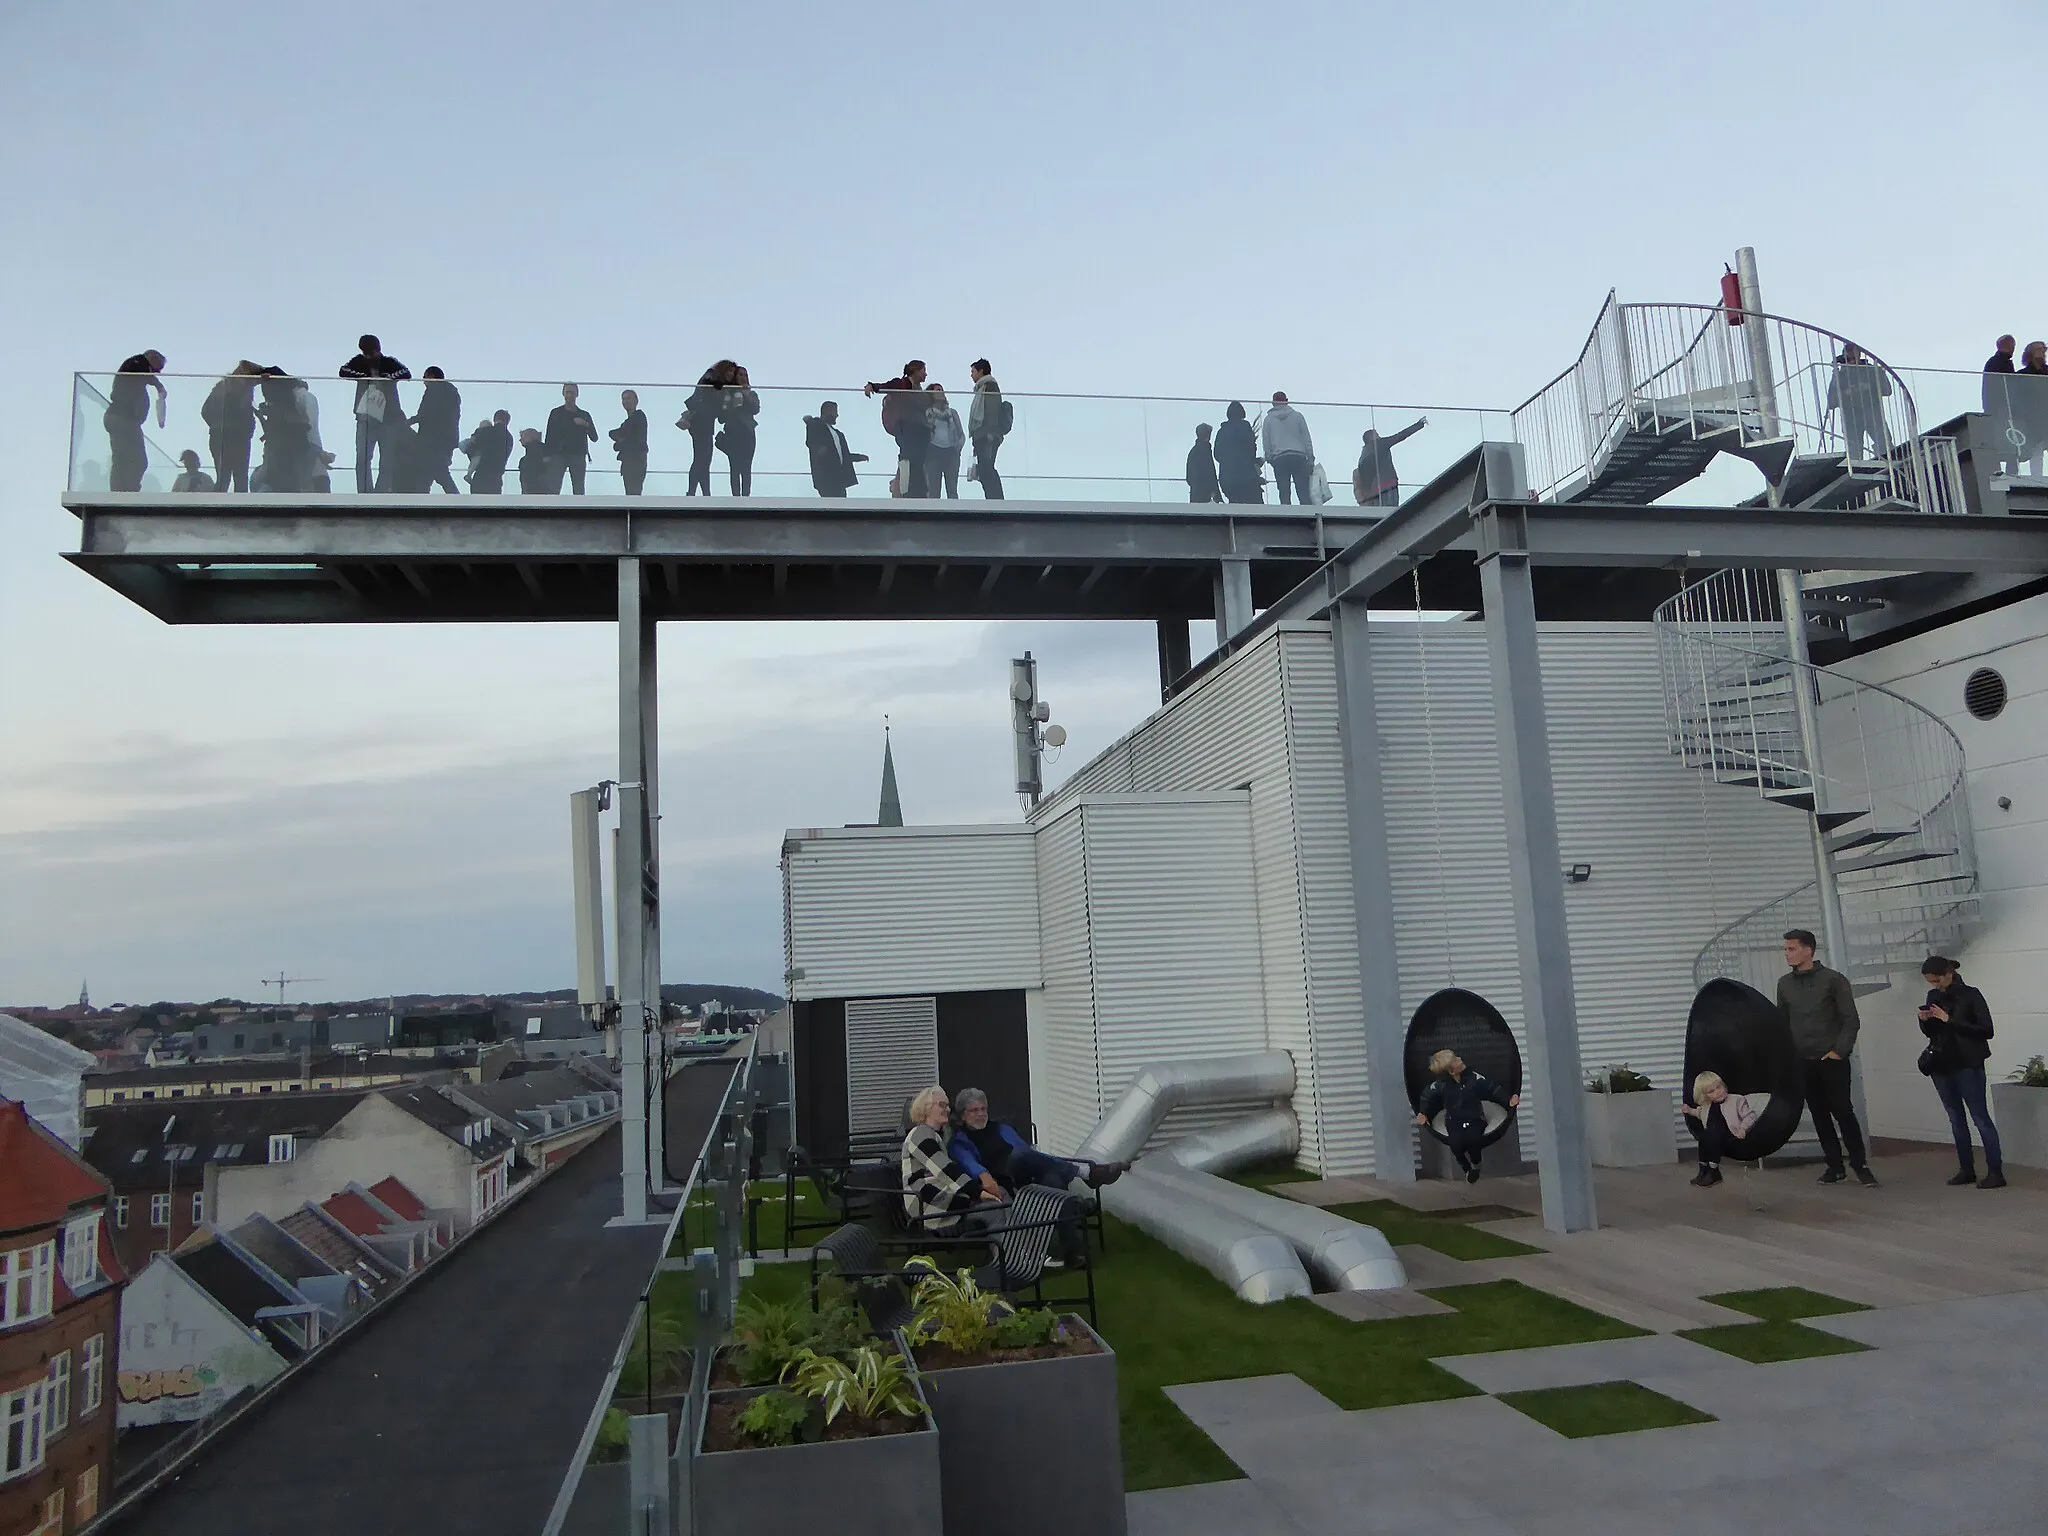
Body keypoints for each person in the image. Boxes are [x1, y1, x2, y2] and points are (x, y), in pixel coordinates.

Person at [948, 1088, 1123, 1266]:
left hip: (1026, 1179)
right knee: (1035, 1167)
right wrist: (983, 1175)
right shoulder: (959, 1142)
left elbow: (1031, 1155)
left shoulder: (1001, 1129)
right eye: (975, 1110)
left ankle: (1074, 1248)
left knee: (1043, 1172)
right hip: (1005, 1187)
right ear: (962, 1116)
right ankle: (1083, 1179)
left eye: (983, 1109)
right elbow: (969, 1163)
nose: (981, 1114)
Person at [1777, 928, 1875, 1186]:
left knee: (1843, 1111)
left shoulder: (1833, 980)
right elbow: (1782, 1021)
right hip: (1803, 1060)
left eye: (1792, 948)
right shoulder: (1784, 984)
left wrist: (1839, 1051)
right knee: (1819, 1114)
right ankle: (1834, 1166)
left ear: (1808, 949)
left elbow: (1850, 1018)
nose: (1787, 954)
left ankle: (1860, 1164)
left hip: (1831, 1058)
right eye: (1785, 949)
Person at [1918, 956, 2004, 1188]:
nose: (1935, 985)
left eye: (1937, 980)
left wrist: (1950, 1020)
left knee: (1979, 1116)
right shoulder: (1933, 996)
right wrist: (1925, 1021)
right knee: (1955, 1118)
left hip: (1968, 1062)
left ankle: (1996, 1172)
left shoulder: (1971, 995)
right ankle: (1966, 1169)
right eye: (1930, 982)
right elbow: (1932, 1032)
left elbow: (1986, 1030)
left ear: (1948, 974)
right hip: (1941, 1063)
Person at [901, 1085, 1011, 1236]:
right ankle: (1009, 1257)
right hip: (929, 1204)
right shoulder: (920, 1134)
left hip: (946, 1198)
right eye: (941, 1105)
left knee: (1001, 1197)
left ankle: (1020, 1252)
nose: (947, 1109)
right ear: (926, 1108)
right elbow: (946, 1169)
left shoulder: (936, 1135)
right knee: (993, 1211)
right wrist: (978, 1193)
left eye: (948, 1106)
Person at [1415, 1049, 1518, 1183]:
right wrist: (1423, 1113)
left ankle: (1476, 1164)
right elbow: (1426, 1095)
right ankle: (1466, 1167)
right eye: (1456, 1060)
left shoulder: (1473, 1078)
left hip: (1475, 1118)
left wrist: (1508, 1100)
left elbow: (1492, 1087)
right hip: (1454, 1120)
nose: (1460, 1059)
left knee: (1473, 1140)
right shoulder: (1441, 1086)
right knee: (1456, 1144)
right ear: (1452, 1071)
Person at [339, 334, 411, 492]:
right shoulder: (358, 361)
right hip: (366, 417)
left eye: (372, 352)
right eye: (367, 352)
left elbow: (406, 373)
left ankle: (381, 492)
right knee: (363, 457)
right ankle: (365, 492)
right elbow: (343, 371)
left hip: (389, 418)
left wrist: (387, 377)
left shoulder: (389, 362)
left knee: (387, 458)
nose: (370, 355)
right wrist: (366, 376)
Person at [865, 360, 931, 497]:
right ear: (915, 370)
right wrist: (871, 386)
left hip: (921, 430)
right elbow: (885, 386)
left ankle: (919, 490)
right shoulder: (902, 384)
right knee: (907, 457)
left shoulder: (920, 391)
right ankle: (905, 489)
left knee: (918, 460)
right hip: (906, 428)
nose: (926, 374)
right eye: (923, 370)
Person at [105, 350, 167, 492]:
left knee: (123, 457)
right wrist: (158, 385)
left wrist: (157, 385)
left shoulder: (138, 368)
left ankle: (121, 489)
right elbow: (143, 373)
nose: (157, 372)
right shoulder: (137, 363)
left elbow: (145, 376)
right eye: (157, 368)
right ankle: (126, 490)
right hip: (123, 417)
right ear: (152, 358)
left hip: (122, 418)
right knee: (136, 460)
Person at [1681, 1071, 1756, 1187]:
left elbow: (1750, 1116)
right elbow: (1700, 1113)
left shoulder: (1736, 1100)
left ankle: (1714, 1170)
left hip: (1730, 1135)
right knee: (1704, 1137)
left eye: (1719, 1087)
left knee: (1712, 1134)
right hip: (1712, 1135)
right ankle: (1703, 1169)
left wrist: (1743, 1128)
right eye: (1712, 1091)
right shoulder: (1708, 1105)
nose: (1718, 1092)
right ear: (1705, 1096)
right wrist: (1690, 1111)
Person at [200, 360, 263, 493]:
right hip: (235, 437)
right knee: (239, 478)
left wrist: (216, 427)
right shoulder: (238, 390)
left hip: (222, 436)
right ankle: (239, 511)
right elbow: (237, 410)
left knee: (224, 477)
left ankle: (218, 508)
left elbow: (205, 411)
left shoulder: (222, 387)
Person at [678, 361, 737, 495]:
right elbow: (708, 382)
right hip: (700, 421)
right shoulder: (712, 375)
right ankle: (692, 492)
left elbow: (721, 413)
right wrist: (722, 388)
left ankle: (705, 493)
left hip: (706, 422)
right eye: (729, 371)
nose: (731, 374)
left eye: (733, 372)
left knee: (704, 460)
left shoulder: (720, 387)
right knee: (701, 458)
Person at [1827, 344, 1892, 462]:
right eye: (1848, 356)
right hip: (1851, 417)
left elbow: (1886, 390)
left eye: (1853, 354)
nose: (1850, 358)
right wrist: (1845, 392)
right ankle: (1857, 469)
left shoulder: (1871, 370)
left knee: (1884, 444)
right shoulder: (1841, 375)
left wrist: (1868, 386)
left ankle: (1888, 463)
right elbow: (1832, 402)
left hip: (1872, 413)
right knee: (1854, 450)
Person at [253, 369, 316, 492]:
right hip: (286, 468)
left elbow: (274, 433)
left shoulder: (282, 409)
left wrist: (262, 416)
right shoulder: (291, 408)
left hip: (281, 469)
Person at [409, 367, 463, 494]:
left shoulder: (435, 390)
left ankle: (456, 499)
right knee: (432, 473)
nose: (423, 381)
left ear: (432, 376)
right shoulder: (451, 392)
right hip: (445, 441)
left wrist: (409, 422)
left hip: (433, 441)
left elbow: (426, 413)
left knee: (435, 473)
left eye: (425, 377)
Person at [1353, 418, 1426, 507]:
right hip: (1388, 484)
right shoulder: (1379, 444)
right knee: (1390, 511)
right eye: (1377, 435)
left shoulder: (1363, 457)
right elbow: (1400, 436)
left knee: (1379, 512)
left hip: (1374, 491)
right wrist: (1419, 425)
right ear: (1371, 437)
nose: (1379, 436)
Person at [1261, 391, 1315, 505]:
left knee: (1284, 492)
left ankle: (1287, 517)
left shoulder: (1268, 420)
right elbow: (1306, 438)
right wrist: (1310, 459)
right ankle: (1308, 517)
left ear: (1273, 403)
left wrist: (1269, 457)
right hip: (1299, 456)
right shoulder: (1297, 416)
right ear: (1287, 401)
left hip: (1280, 458)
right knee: (1303, 492)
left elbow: (1266, 441)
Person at [544, 383, 599, 495]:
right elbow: (549, 434)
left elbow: (594, 437)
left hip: (577, 455)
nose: (570, 395)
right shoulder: (556, 413)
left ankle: (579, 510)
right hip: (558, 454)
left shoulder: (584, 415)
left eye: (572, 392)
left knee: (578, 488)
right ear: (563, 394)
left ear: (577, 394)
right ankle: (552, 509)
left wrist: (586, 425)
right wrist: (547, 455)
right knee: (554, 487)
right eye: (567, 392)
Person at [804, 400, 865, 496]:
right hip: (826, 477)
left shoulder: (837, 434)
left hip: (839, 478)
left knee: (841, 503)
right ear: (827, 411)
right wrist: (809, 421)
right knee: (830, 503)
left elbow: (842, 455)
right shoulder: (816, 426)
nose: (837, 415)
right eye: (835, 412)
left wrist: (858, 457)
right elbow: (812, 441)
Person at [717, 366, 761, 496]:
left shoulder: (751, 394)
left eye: (745, 375)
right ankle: (736, 497)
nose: (743, 378)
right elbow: (721, 417)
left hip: (747, 433)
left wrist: (745, 394)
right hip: (733, 432)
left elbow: (755, 409)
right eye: (740, 375)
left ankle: (746, 497)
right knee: (734, 467)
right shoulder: (727, 394)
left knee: (746, 467)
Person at [966, 359, 1006, 500]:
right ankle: (993, 498)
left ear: (981, 371)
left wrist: (990, 432)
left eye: (973, 371)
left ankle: (996, 499)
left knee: (986, 467)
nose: (971, 375)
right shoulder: (982, 388)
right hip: (981, 434)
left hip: (986, 434)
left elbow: (992, 409)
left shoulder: (989, 386)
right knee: (983, 468)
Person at [1984, 335, 2022, 474]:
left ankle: (2003, 472)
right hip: (2002, 409)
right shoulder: (2001, 362)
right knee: (2009, 439)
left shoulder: (1996, 361)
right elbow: (2006, 387)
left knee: (2007, 440)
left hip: (1998, 408)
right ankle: (2009, 473)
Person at [1214, 400, 1262, 504]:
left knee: (1234, 506)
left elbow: (1217, 454)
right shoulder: (1245, 427)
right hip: (1246, 476)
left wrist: (1228, 461)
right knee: (1255, 509)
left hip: (1228, 477)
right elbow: (1251, 449)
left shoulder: (1222, 431)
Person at [925, 383, 965, 498]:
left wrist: (958, 447)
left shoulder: (952, 413)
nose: (941, 392)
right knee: (933, 490)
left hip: (951, 452)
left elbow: (961, 434)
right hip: (933, 451)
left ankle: (954, 515)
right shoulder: (928, 413)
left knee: (952, 490)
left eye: (942, 389)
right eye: (937, 390)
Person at [2015, 341, 2048, 477]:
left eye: (2044, 349)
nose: (2043, 352)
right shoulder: (2022, 375)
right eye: (2039, 349)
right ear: (2031, 353)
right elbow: (2018, 398)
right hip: (2033, 418)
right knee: (2036, 449)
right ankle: (2037, 479)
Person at [462, 411, 515, 494]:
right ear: (508, 421)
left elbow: (471, 447)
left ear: (494, 419)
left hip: (481, 475)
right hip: (496, 478)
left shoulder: (486, 431)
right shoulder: (509, 438)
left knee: (477, 503)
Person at [610, 389, 649, 495]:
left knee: (634, 493)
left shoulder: (639, 416)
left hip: (636, 459)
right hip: (628, 461)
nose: (626, 401)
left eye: (629, 398)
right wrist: (621, 441)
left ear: (636, 401)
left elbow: (632, 439)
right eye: (624, 399)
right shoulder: (626, 423)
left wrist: (621, 442)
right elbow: (613, 433)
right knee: (630, 493)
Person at [1185, 424, 1222, 502]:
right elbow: (1210, 474)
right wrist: (1214, 492)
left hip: (1196, 493)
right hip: (1205, 495)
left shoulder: (1194, 451)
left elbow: (1189, 477)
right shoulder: (1204, 451)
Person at [516, 427, 554, 494]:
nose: (520, 440)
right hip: (541, 490)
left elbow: (532, 471)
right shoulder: (543, 450)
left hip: (534, 490)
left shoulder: (533, 453)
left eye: (523, 437)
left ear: (530, 437)